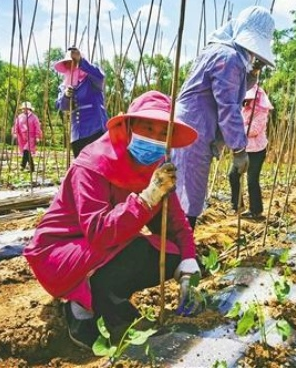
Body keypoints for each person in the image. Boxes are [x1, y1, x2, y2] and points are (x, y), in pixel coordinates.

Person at [24, 91, 201, 350]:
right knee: (136, 251)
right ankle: (81, 307)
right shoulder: (92, 164)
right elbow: (99, 232)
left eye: (163, 134)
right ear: (128, 126)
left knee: (170, 253)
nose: (155, 139)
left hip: (106, 249)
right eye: (148, 128)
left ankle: (111, 299)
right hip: (60, 253)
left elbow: (175, 222)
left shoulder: (157, 169)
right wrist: (145, 199)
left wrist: (188, 267)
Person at [172, 6, 276, 229]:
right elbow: (228, 107)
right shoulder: (229, 58)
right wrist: (239, 150)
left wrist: (252, 73)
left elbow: (233, 88)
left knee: (182, 188)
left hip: (191, 125)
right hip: (195, 130)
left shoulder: (220, 51)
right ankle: (181, 250)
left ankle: (178, 247)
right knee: (190, 192)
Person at [53, 46, 108, 158]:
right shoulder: (65, 86)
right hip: (77, 134)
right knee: (82, 169)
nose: (70, 65)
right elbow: (60, 106)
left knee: (96, 166)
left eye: (73, 62)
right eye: (67, 63)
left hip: (95, 130)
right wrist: (66, 96)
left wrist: (81, 61)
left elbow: (100, 76)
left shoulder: (91, 79)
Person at [229, 84, 273, 219]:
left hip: (257, 150)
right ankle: (237, 205)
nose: (246, 101)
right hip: (243, 148)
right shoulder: (244, 109)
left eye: (249, 99)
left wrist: (239, 127)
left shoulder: (262, 112)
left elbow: (253, 130)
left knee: (252, 179)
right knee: (233, 175)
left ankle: (256, 210)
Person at [11, 101, 43, 172]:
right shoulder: (20, 117)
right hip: (22, 137)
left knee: (26, 150)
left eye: (26, 108)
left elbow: (37, 127)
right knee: (26, 152)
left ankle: (22, 166)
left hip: (31, 137)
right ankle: (32, 168)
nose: (24, 110)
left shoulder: (34, 117)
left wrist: (37, 136)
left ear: (29, 109)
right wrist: (15, 133)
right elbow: (16, 125)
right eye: (23, 109)